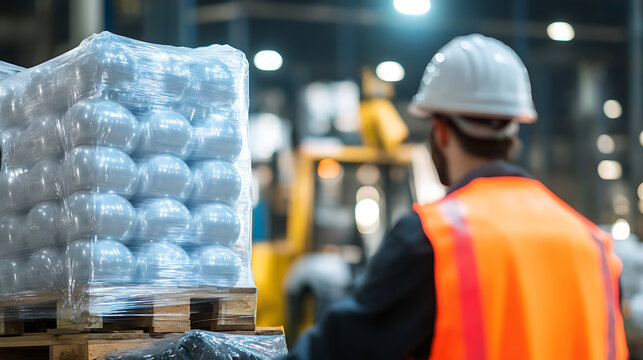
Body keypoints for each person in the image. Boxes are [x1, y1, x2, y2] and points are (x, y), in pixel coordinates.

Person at [284, 34, 628, 359]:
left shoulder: (432, 239)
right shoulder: (593, 243)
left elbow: (337, 349)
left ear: (441, 132)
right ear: (514, 128)